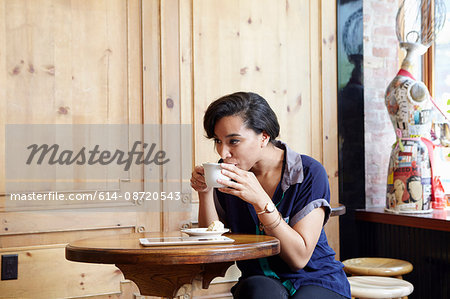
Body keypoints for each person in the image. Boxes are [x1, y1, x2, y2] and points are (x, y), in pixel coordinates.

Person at [190, 92, 351, 299]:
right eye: (218, 141)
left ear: (264, 137)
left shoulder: (308, 172)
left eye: (234, 141)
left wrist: (261, 201)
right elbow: (214, 247)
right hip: (259, 280)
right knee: (258, 291)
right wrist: (205, 193)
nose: (223, 153)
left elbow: (299, 259)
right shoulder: (226, 173)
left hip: (315, 278)